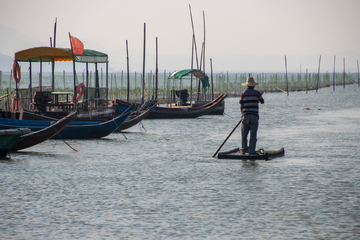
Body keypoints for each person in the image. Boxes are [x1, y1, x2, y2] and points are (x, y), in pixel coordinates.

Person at [239, 76, 264, 154]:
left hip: (245, 116)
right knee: (253, 135)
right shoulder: (257, 93)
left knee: (244, 135)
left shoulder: (243, 93)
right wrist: (257, 99)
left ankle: (243, 150)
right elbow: (262, 101)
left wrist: (242, 114)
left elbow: (241, 105)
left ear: (247, 85)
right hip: (254, 116)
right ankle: (251, 151)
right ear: (253, 85)